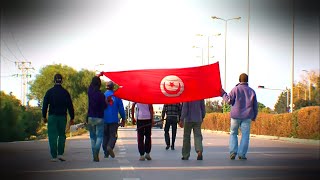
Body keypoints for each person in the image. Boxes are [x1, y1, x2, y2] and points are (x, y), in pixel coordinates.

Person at [221, 73, 258, 160]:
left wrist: (223, 94)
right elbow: (255, 106)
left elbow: (229, 101)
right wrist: (254, 116)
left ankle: (233, 152)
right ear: (247, 80)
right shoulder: (252, 91)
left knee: (233, 133)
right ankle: (242, 154)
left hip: (235, 116)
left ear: (239, 80)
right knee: (245, 135)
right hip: (247, 116)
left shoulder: (235, 90)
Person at [42, 73, 75, 162]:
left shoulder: (49, 92)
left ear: (54, 80)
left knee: (52, 135)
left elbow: (45, 105)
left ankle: (54, 156)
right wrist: (72, 117)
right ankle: (60, 154)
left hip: (52, 116)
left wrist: (44, 116)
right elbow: (70, 106)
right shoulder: (65, 92)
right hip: (62, 117)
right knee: (61, 135)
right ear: (62, 81)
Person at [102, 81, 126, 159]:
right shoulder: (116, 96)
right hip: (113, 120)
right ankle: (110, 147)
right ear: (113, 87)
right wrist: (123, 119)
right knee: (113, 136)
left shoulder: (103, 95)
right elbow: (121, 109)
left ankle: (106, 152)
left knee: (105, 136)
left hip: (104, 119)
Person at [87, 76, 107, 162]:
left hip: (90, 117)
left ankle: (94, 153)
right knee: (99, 136)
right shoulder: (101, 95)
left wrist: (97, 76)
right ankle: (96, 152)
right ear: (99, 85)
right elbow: (104, 107)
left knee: (92, 137)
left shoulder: (90, 93)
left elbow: (90, 86)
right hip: (99, 117)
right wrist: (107, 102)